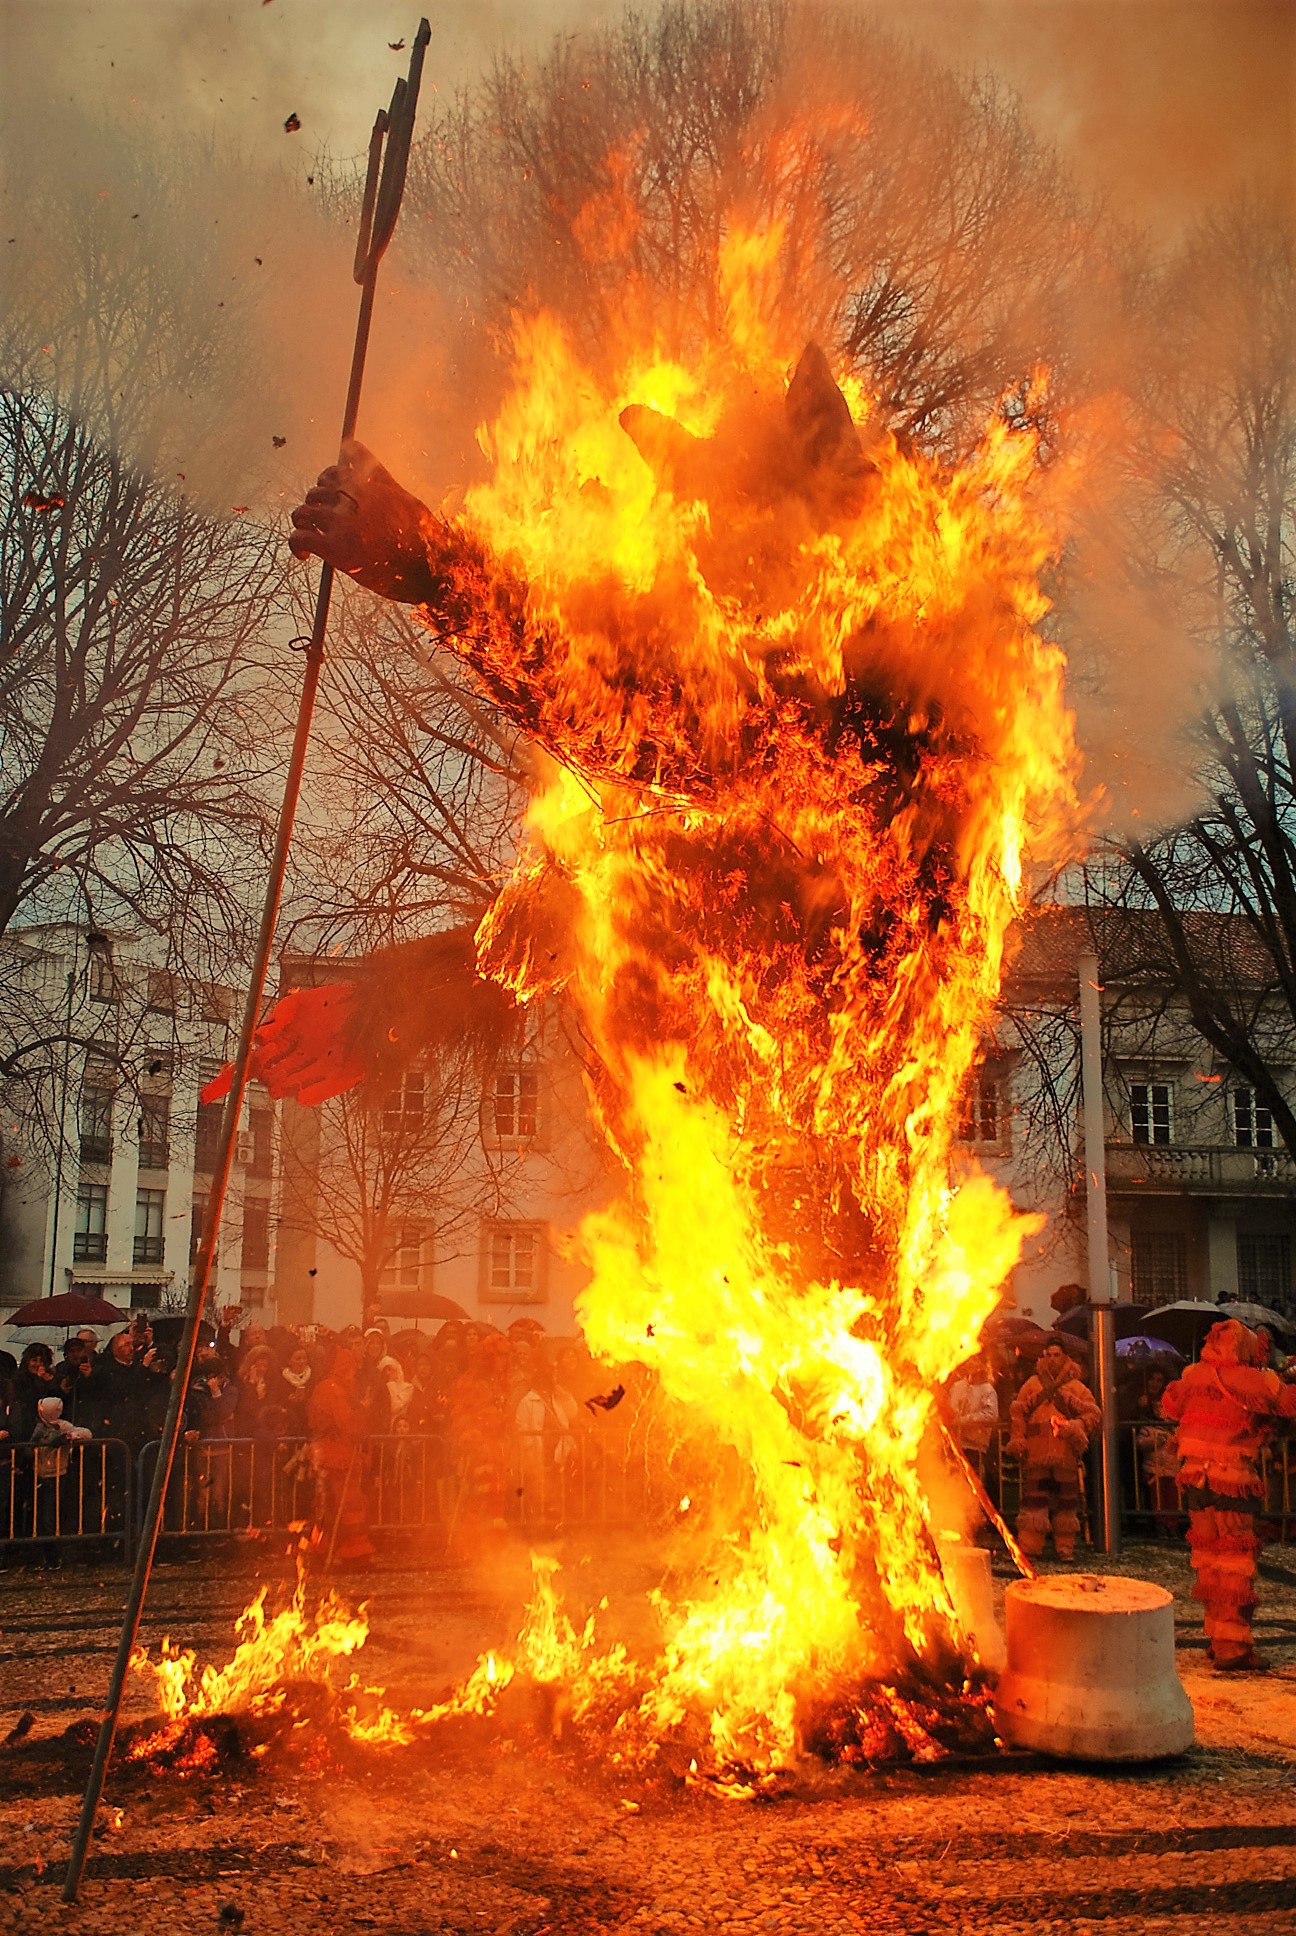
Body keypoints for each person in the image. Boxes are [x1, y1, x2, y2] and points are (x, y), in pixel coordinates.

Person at [1161, 1318, 1296, 1672]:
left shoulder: (1192, 1375)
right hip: (1231, 1480)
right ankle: (1233, 1649)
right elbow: (1288, 1403)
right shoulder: (1256, 1379)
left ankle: (1218, 1637)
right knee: (1235, 1566)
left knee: (1208, 1564)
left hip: (1194, 1482)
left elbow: (1172, 1407)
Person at [1007, 1342, 1101, 1562]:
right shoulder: (1032, 1384)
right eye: (1047, 1354)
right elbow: (1018, 1414)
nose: (1051, 1358)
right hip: (1036, 1453)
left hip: (1065, 1454)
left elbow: (1093, 1415)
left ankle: (1065, 1548)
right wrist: (1018, 1438)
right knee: (1034, 1501)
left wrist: (1076, 1426)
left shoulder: (1077, 1388)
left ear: (1065, 1357)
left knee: (1066, 1502)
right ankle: (1030, 1546)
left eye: (1056, 1354)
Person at [307, 1340, 375, 1564]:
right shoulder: (333, 1389)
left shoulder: (328, 1387)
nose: (354, 1373)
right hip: (336, 1454)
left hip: (326, 1453)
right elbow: (347, 1422)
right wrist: (364, 1410)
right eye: (352, 1368)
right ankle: (354, 1552)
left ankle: (324, 1549)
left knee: (328, 1505)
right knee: (350, 1504)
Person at [946, 1355, 999, 1467]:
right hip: (954, 1445)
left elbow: (991, 1416)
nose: (971, 1363)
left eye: (975, 1361)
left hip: (975, 1447)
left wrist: (963, 1420)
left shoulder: (987, 1390)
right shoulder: (957, 1387)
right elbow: (948, 1410)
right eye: (969, 1360)